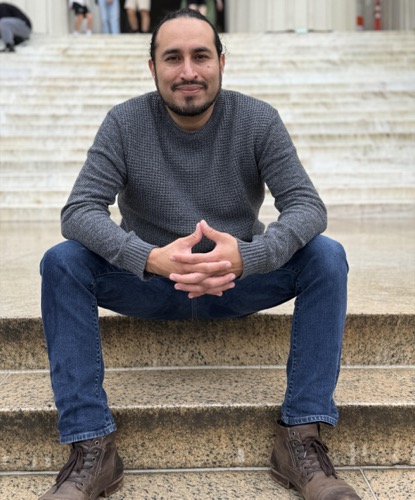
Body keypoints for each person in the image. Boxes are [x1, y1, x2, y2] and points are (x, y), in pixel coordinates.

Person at [39, 7, 361, 500]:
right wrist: (150, 257)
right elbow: (79, 211)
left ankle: (300, 436)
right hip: (148, 284)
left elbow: (306, 207)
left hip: (238, 282)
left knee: (326, 255)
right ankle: (91, 446)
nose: (188, 71)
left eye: (200, 56)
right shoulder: (125, 123)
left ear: (221, 62)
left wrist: (248, 258)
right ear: (153, 68)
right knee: (62, 261)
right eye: (173, 58)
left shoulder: (257, 120)